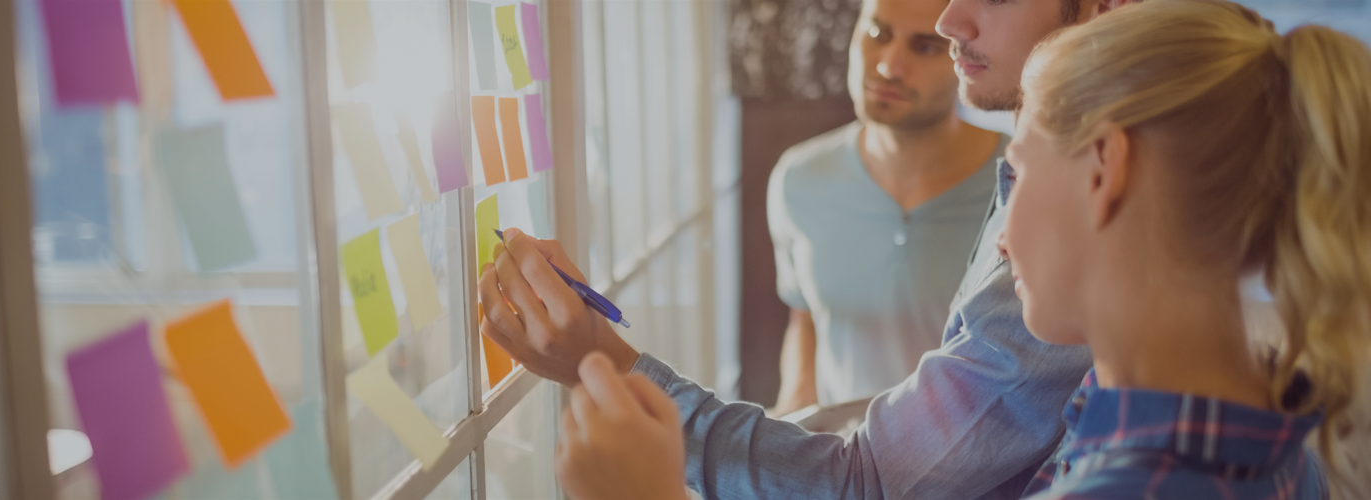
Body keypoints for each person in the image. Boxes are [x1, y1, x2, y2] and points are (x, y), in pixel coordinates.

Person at [553, 1, 1371, 498]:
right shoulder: (1260, 422)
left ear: (1104, 171)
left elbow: (870, 483)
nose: (1003, 237)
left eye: (1013, 174)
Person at [478, 0, 1132, 498]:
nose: (950, 17)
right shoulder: (801, 178)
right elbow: (820, 342)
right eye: (876, 32)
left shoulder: (1080, 217)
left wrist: (610, 366)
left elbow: (869, 479)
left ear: (1104, 7)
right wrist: (799, 419)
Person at [769, 0, 1006, 415]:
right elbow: (806, 316)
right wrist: (791, 415)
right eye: (877, 35)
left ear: (964, 57)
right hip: (840, 462)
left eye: (926, 46)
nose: (888, 67)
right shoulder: (799, 178)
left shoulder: (1020, 182)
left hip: (974, 465)